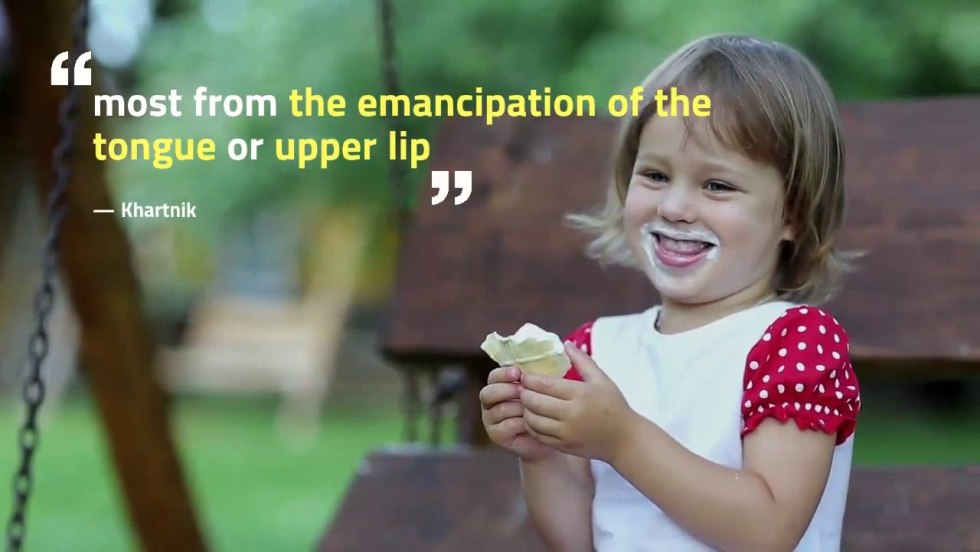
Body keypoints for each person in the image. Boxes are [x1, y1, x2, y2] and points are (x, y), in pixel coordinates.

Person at [479, 34, 862, 552]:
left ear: (792, 213)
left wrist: (624, 440)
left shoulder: (793, 342)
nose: (676, 207)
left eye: (717, 186)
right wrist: (540, 457)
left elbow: (767, 530)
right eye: (656, 175)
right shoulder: (596, 352)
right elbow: (576, 541)